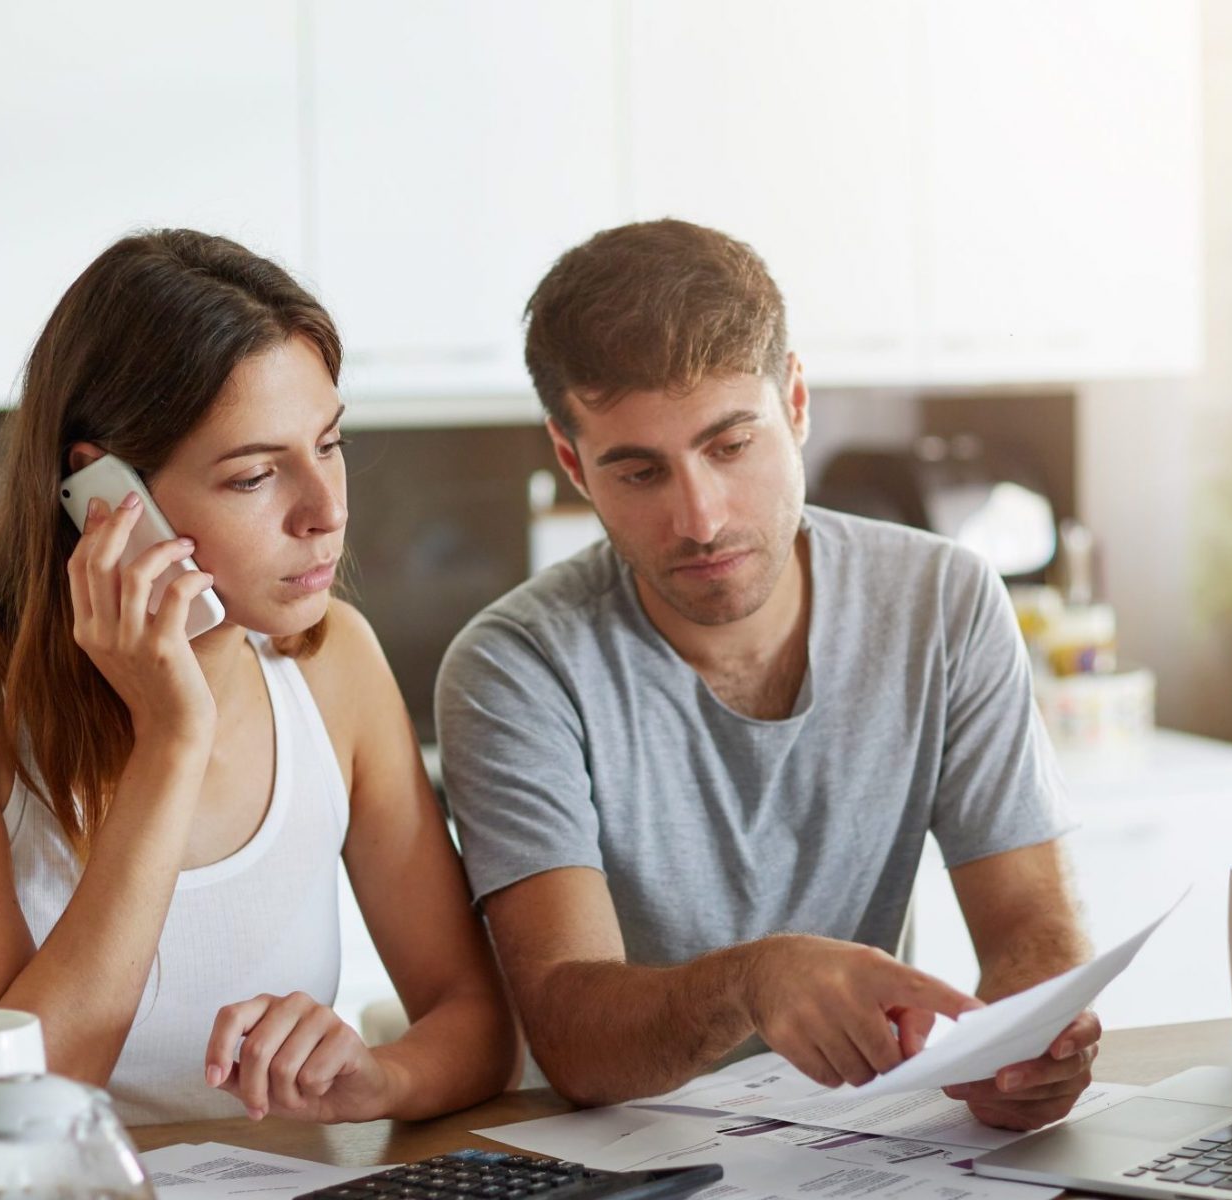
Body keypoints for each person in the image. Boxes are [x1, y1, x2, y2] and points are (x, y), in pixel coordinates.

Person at [436, 219, 1094, 1131]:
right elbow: (574, 1041)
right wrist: (753, 981)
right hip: (634, 1157)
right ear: (570, 461)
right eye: (639, 472)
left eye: (730, 446)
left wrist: (1033, 1039)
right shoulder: (516, 666)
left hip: (862, 1145)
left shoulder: (942, 600)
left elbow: (1030, 923)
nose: (700, 519)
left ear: (793, 401)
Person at [0, 229, 514, 1126]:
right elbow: (6, 1110)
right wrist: (171, 737)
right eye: (254, 477)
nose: (325, 512)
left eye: (330, 443)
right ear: (107, 494)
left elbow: (472, 1020)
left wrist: (379, 1078)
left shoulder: (334, 663)